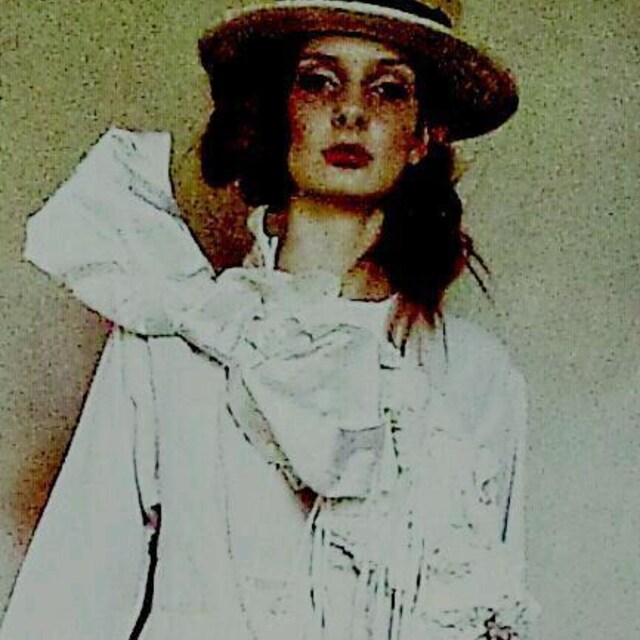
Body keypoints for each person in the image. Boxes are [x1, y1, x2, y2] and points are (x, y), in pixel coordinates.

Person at [0, 0, 539, 638]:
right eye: (319, 81)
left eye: (388, 89)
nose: (351, 111)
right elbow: (68, 602)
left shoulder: (476, 378)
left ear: (424, 136)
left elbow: (489, 612)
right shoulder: (173, 336)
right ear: (280, 113)